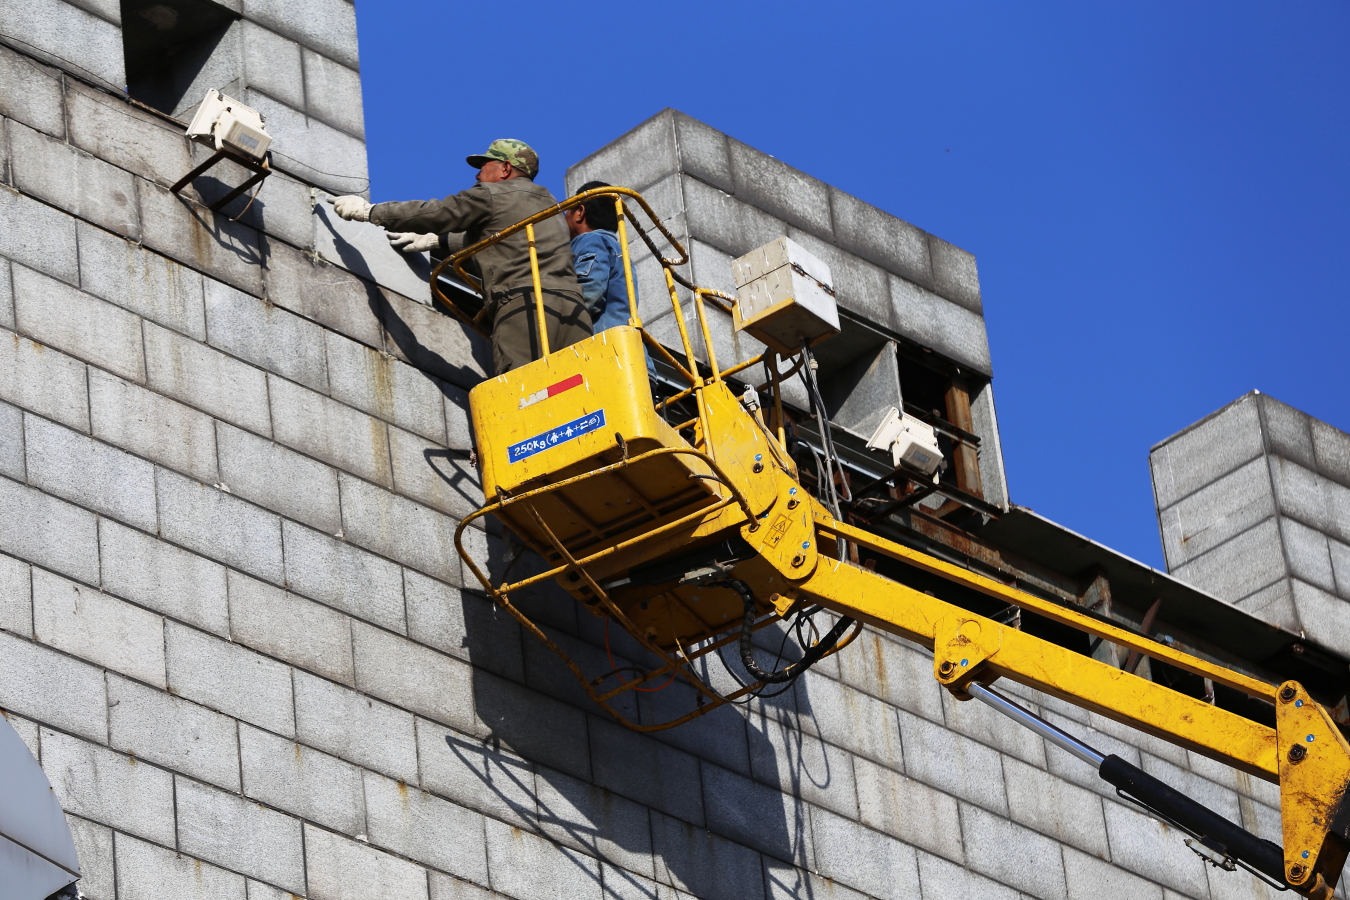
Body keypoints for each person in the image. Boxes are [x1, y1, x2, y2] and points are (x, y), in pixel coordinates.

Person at [328, 139, 591, 374]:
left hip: (525, 308)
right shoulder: (552, 207)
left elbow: (436, 213)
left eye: (484, 165)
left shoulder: (491, 194)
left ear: (505, 169)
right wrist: (437, 242)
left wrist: (371, 212)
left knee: (527, 393)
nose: (478, 174)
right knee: (579, 392)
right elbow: (501, 239)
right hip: (575, 312)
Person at [563, 181, 655, 378]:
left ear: (579, 212)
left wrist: (551, 323)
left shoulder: (590, 240)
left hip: (608, 359)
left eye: (567, 211)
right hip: (631, 359)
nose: (564, 217)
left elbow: (589, 292)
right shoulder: (617, 249)